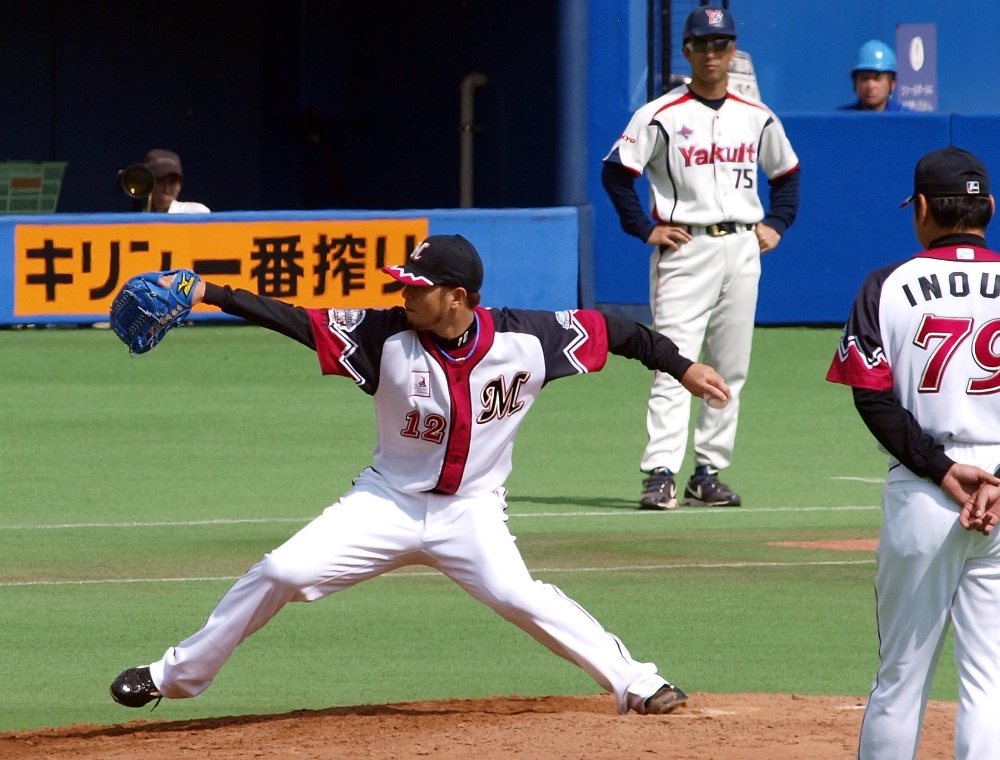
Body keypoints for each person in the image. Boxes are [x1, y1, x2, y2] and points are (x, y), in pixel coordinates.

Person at [108, 234, 732, 716]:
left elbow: (618, 332)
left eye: (417, 287)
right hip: (385, 504)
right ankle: (173, 676)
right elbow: (297, 319)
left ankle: (637, 683)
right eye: (404, 285)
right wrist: (214, 294)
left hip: (472, 512)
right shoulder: (383, 336)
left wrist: (681, 367)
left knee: (519, 595)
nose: (404, 295)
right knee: (281, 571)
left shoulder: (528, 339)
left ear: (457, 297)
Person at [826, 146, 1000, 759]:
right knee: (992, 686)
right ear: (990, 208)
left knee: (901, 679)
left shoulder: (886, 286)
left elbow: (873, 401)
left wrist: (944, 468)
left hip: (926, 494)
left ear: (922, 209)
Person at [601, 6, 800, 510]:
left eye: (720, 45)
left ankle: (707, 471)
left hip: (741, 246)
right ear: (686, 51)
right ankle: (660, 472)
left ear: (732, 51)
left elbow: (787, 173)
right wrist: (644, 229)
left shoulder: (756, 115)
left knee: (730, 365)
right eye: (702, 45)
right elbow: (616, 171)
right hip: (686, 248)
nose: (712, 54)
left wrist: (776, 223)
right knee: (673, 361)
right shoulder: (660, 114)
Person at [838, 40, 910, 113]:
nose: (870, 86)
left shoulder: (907, 120)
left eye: (877, 78)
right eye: (864, 78)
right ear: (855, 82)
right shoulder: (840, 120)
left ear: (892, 84)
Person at [143, 149, 210, 213]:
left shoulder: (197, 212)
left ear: (180, 185)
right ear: (148, 184)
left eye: (172, 182)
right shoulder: (137, 220)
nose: (166, 189)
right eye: (160, 181)